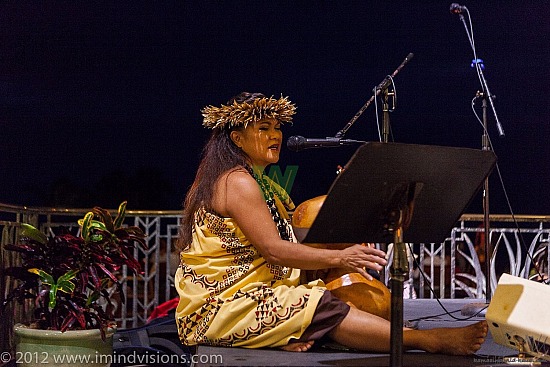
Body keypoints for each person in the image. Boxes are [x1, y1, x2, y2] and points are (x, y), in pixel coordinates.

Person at [175, 92, 488, 354]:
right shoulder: (237, 182)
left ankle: (283, 334)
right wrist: (340, 256)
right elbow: (273, 250)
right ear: (237, 139)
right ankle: (429, 341)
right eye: (263, 128)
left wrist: (340, 239)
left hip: (248, 295)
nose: (276, 136)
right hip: (220, 307)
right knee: (318, 302)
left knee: (322, 285)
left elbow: (291, 239)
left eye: (277, 128)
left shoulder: (263, 185)